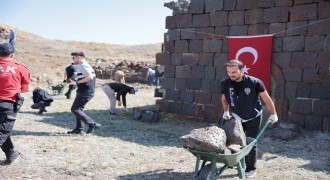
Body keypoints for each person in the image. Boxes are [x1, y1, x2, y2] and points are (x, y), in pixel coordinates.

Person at [220, 59, 278, 178]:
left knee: (250, 142)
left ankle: (251, 168)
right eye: (229, 72)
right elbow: (224, 98)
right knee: (236, 140)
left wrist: (274, 113)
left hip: (253, 116)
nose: (231, 75)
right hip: (236, 116)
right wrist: (226, 112)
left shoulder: (255, 82)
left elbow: (267, 100)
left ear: (241, 70)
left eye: (234, 72)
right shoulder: (225, 83)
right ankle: (238, 161)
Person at [0, 43, 30, 165]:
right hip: (8, 104)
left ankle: (11, 153)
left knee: (3, 130)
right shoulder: (21, 68)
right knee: (2, 131)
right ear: (12, 55)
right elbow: (25, 89)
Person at [67, 51, 101, 135]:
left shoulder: (84, 65)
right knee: (79, 109)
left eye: (73, 57)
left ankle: (92, 124)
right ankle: (79, 129)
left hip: (86, 91)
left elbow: (89, 77)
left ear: (79, 57)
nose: (73, 59)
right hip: (84, 91)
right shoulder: (83, 66)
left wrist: (78, 82)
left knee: (75, 109)